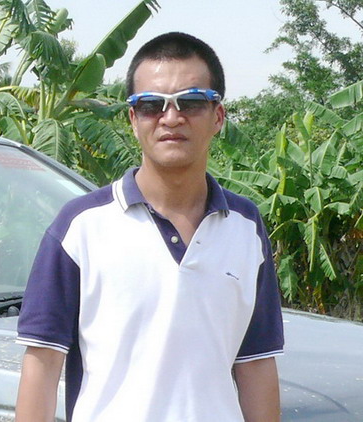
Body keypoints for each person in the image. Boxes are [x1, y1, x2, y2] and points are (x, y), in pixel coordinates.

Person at [15, 32, 284, 422]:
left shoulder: (245, 226)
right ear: (132, 119)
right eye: (151, 105)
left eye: (191, 101)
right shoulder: (81, 226)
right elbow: (42, 364)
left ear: (218, 116)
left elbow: (256, 363)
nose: (170, 118)